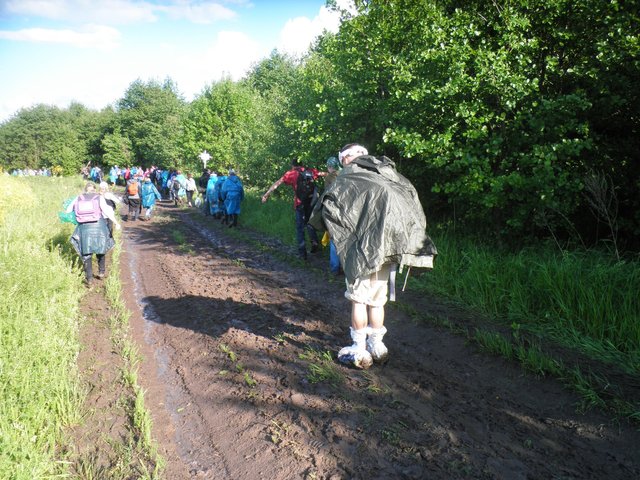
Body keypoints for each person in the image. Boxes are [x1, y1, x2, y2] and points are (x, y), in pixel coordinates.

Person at [310, 144, 437, 369]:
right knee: (378, 300)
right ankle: (378, 346)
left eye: (343, 160)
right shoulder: (390, 176)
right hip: (388, 248)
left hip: (360, 251)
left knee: (359, 299)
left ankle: (359, 349)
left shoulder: (346, 177)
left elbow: (326, 210)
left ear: (346, 158)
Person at [262, 158, 326, 260]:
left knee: (300, 229)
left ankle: (302, 254)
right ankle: (314, 241)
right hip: (311, 203)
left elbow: (277, 183)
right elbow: (325, 174)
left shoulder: (291, 174)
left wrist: (266, 195)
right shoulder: (311, 171)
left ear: (293, 165)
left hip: (299, 204)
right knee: (310, 223)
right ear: (302, 163)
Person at [66, 182, 121, 285]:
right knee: (101, 249)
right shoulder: (98, 197)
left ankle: (89, 279)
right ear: (94, 190)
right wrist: (116, 222)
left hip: (84, 227)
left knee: (86, 253)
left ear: (85, 189)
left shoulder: (78, 197)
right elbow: (107, 211)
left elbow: (68, 210)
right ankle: (101, 272)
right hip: (98, 226)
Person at [323, 156, 342, 275]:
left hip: (333, 211)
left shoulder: (330, 177)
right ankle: (346, 267)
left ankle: (335, 268)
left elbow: (327, 194)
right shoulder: (345, 174)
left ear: (330, 167)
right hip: (347, 211)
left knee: (333, 239)